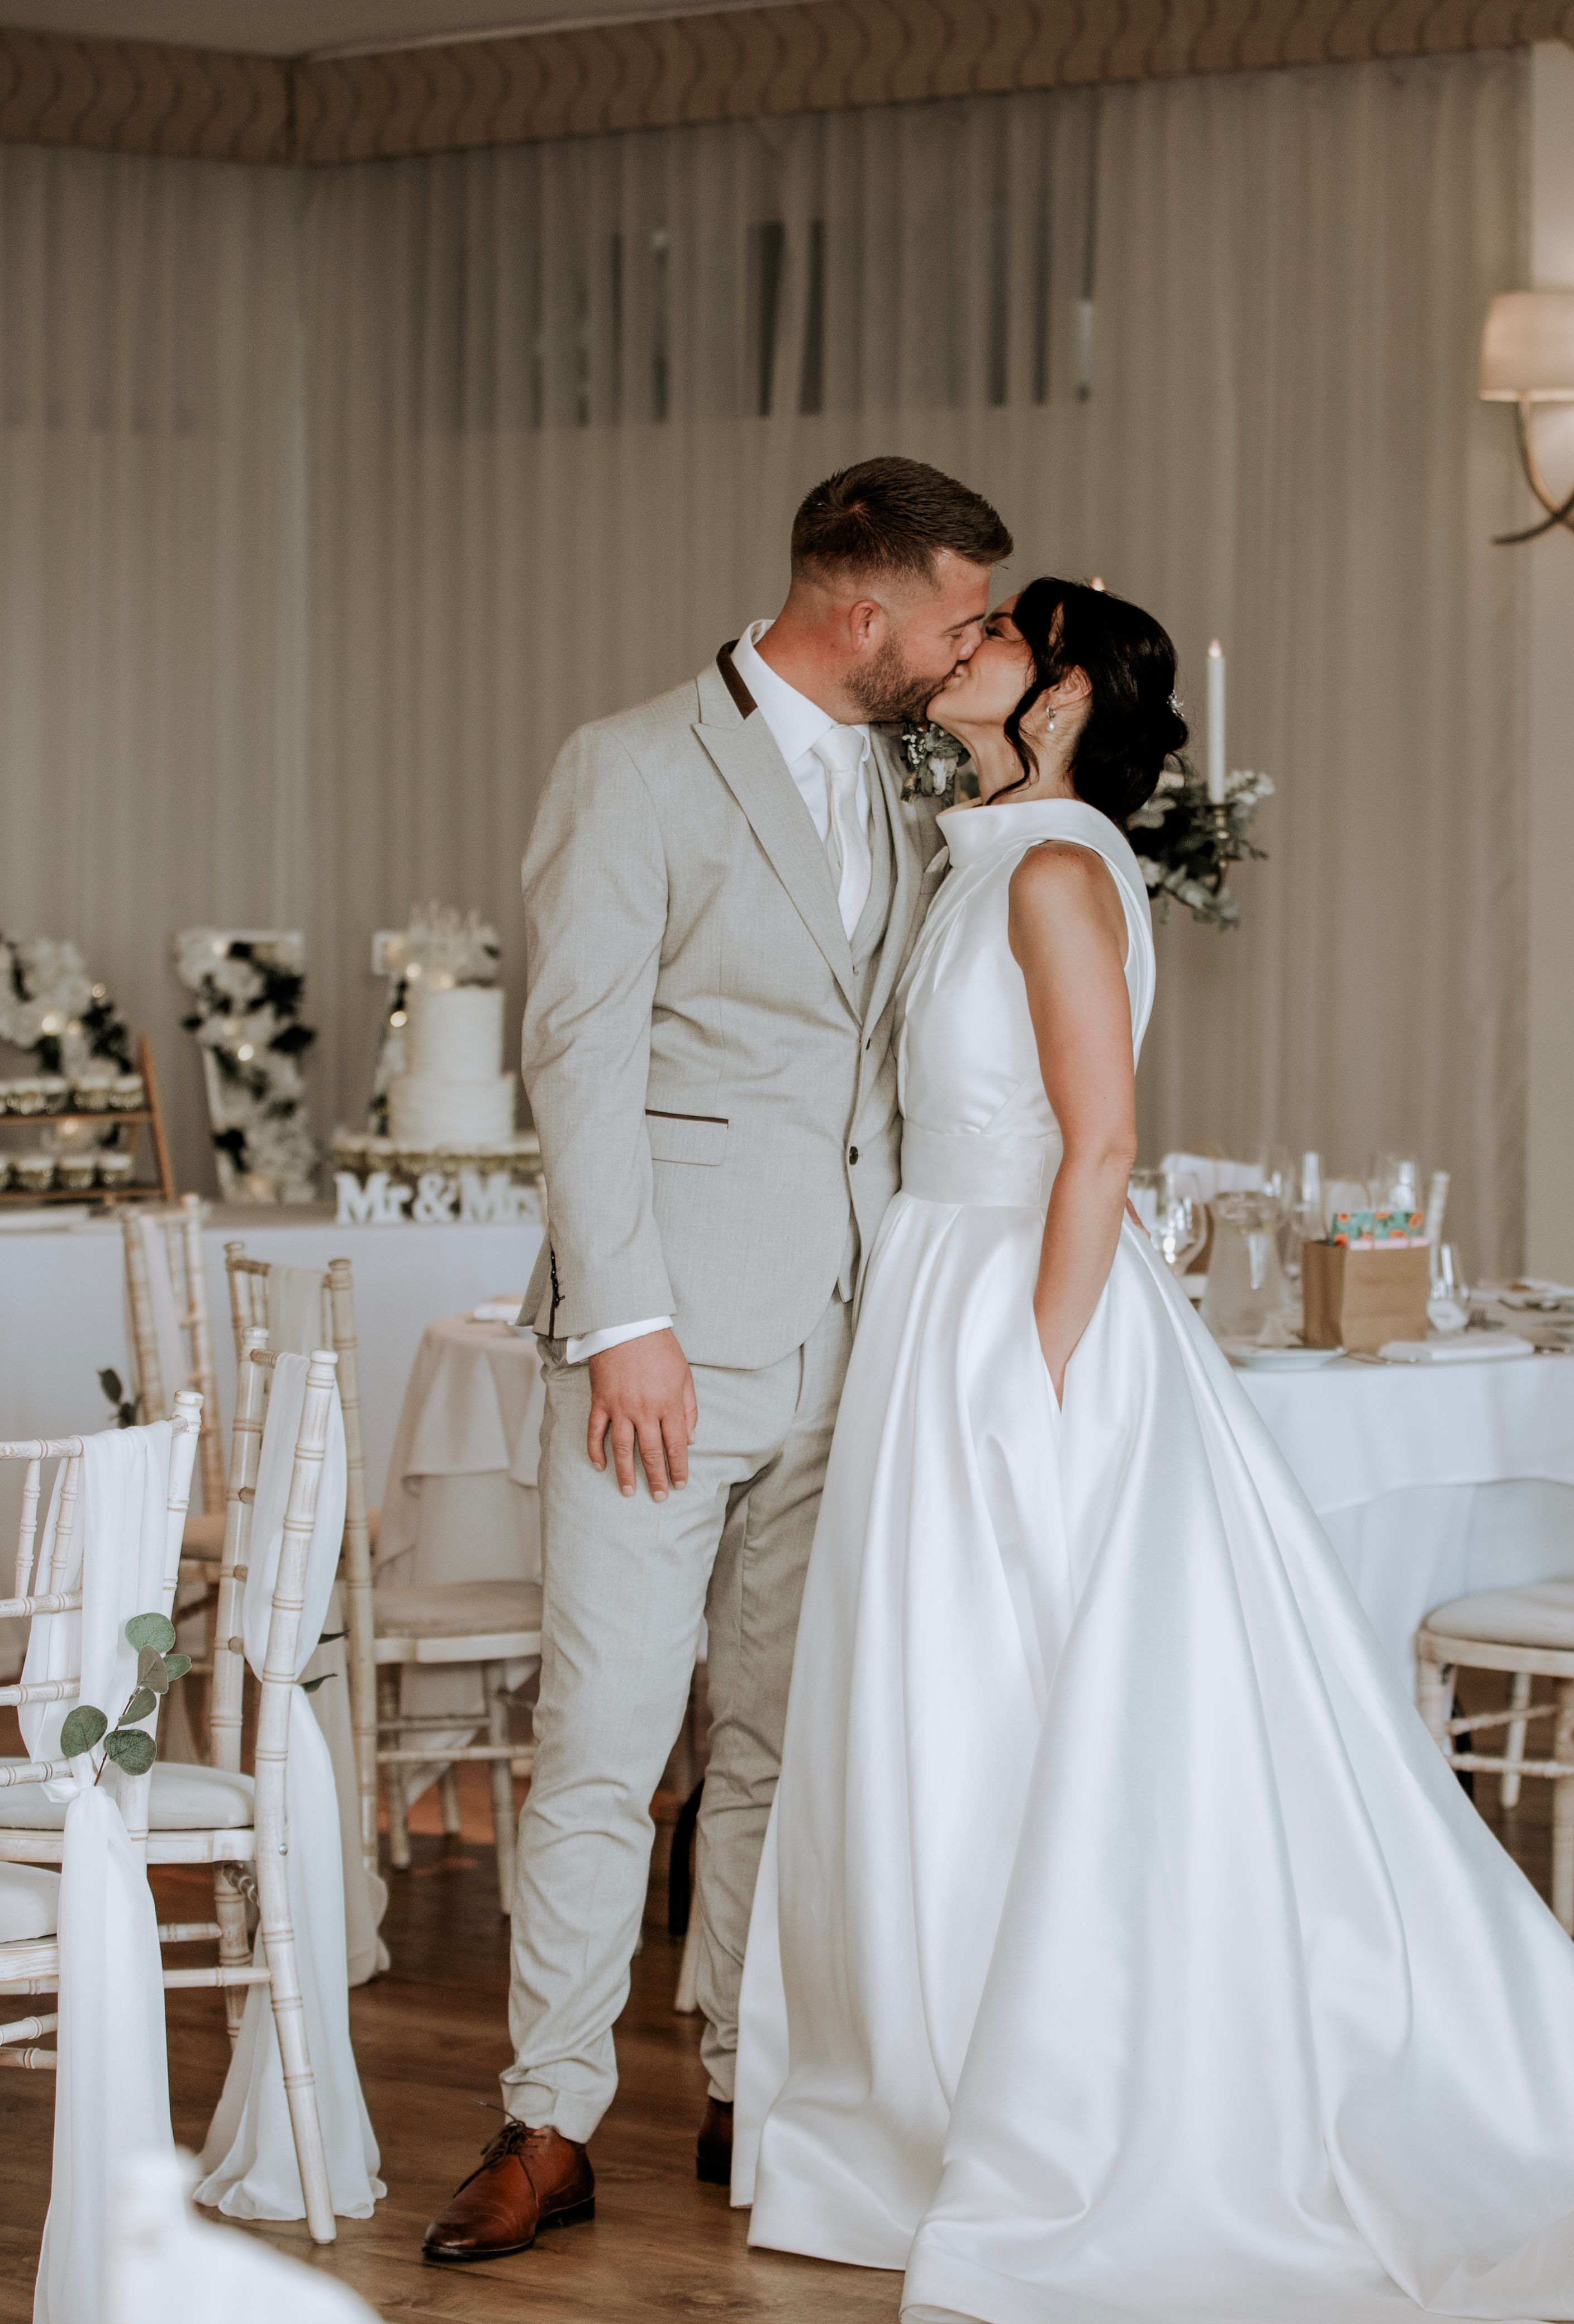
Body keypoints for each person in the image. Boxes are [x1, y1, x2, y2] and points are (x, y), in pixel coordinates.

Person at [730, 579, 1574, 2322]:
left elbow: (1102, 1147)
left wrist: (1031, 1378)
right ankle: (916, 2098)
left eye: (999, 636)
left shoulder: (1053, 873)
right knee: (943, 1710)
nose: (959, 645)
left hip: (1018, 1320)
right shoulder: (988, 854)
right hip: (943, 1295)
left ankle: (1050, 2107)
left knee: (1016, 1705)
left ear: (1053, 701)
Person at [421, 456, 1012, 2263]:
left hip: (858, 1339)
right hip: (665, 1353)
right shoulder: (629, 767)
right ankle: (547, 2116)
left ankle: (747, 2069)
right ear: (865, 614)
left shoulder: (917, 790)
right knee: (609, 1740)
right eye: (963, 617)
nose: (975, 643)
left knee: (776, 1740)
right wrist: (626, 1328)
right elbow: (578, 1060)